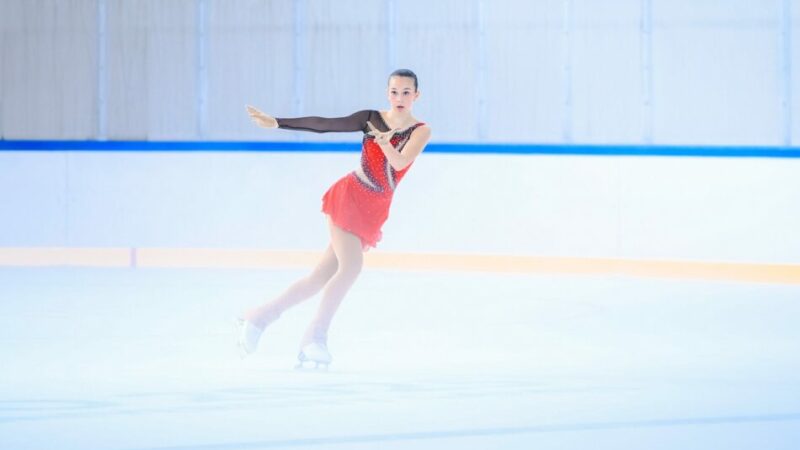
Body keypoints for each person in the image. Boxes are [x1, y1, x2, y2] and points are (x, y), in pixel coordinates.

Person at [239, 69, 432, 369]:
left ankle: (259, 318)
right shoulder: (371, 119)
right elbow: (326, 124)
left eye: (406, 92)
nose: (400, 97)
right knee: (351, 267)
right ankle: (315, 337)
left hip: (374, 209)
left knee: (318, 278)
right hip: (349, 197)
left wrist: (385, 143)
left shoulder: (420, 130)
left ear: (416, 95)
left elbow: (400, 161)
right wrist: (278, 122)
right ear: (387, 93)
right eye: (394, 91)